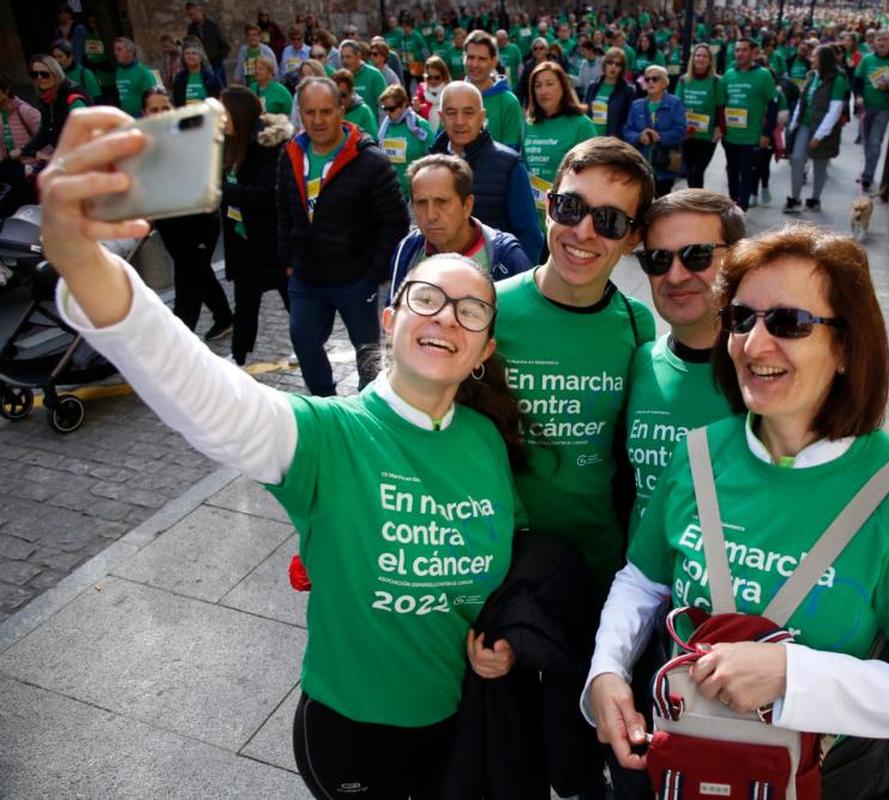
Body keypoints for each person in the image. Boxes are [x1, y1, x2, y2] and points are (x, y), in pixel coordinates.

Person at [37, 106, 525, 798]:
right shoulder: (329, 437)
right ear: (389, 321)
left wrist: (500, 642)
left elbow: (498, 579)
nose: (448, 316)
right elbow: (207, 396)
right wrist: (85, 263)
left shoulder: (485, 442)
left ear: (484, 349)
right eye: (427, 298)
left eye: (471, 310)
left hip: (457, 721)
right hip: (353, 732)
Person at [584, 224, 889, 794]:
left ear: (845, 346)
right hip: (685, 767)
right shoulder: (698, 454)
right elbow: (643, 581)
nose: (754, 344)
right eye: (742, 319)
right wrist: (607, 669)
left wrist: (793, 675)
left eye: (789, 323)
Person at [494, 136, 656, 597]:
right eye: (569, 207)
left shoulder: (636, 323)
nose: (583, 231)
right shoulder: (489, 309)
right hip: (500, 561)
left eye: (608, 221)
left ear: (632, 238)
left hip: (599, 566)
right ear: (547, 205)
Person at [277, 76, 407, 397]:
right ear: (301, 113)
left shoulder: (370, 161)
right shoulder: (289, 155)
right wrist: (288, 260)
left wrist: (373, 272)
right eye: (309, 112)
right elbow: (282, 210)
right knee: (303, 339)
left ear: (341, 109)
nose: (317, 120)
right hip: (307, 277)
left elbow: (396, 221)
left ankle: (369, 405)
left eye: (325, 111)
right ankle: (325, 403)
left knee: (367, 354)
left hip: (354, 280)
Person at [624, 189, 742, 523]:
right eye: (658, 260)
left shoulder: (765, 375)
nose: (675, 276)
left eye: (697, 255)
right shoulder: (641, 363)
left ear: (738, 258)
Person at [140, 88, 234, 341]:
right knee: (200, 273)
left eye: (165, 108)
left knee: (187, 284)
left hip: (199, 222)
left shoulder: (190, 137)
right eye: (154, 109)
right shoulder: (145, 143)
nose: (161, 114)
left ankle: (180, 342)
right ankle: (224, 317)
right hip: (170, 224)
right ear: (145, 113)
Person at [429, 82, 543, 264]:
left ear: (482, 117)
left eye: (468, 113)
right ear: (441, 118)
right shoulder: (429, 165)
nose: (459, 121)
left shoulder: (509, 165)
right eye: (451, 113)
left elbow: (529, 235)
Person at [219, 86, 291, 366]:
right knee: (245, 305)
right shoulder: (226, 143)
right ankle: (238, 357)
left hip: (270, 244)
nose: (220, 118)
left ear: (239, 113)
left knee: (294, 305)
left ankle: (311, 349)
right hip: (243, 243)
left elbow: (267, 196)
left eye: (224, 111)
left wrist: (222, 189)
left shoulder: (267, 146)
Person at [391, 154, 532, 286]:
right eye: (421, 203)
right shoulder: (408, 250)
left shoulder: (506, 258)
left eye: (442, 202)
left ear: (467, 206)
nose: (431, 215)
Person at [521, 61, 595, 221]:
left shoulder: (581, 124)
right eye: (538, 85)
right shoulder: (527, 125)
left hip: (566, 216)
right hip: (531, 216)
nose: (543, 91)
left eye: (549, 84)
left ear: (563, 86)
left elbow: (593, 175)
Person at [785, 45, 848, 213]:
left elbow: (835, 111)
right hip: (805, 125)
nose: (811, 59)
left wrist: (819, 136)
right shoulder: (811, 77)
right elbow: (802, 100)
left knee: (820, 165)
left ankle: (814, 199)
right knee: (797, 159)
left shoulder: (837, 80)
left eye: (815, 56)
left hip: (824, 130)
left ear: (824, 60)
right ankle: (795, 197)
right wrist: (793, 124)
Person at [718, 38, 778, 211]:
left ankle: (741, 210)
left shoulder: (764, 75)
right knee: (731, 174)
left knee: (747, 175)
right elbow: (721, 105)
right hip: (730, 136)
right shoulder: (728, 74)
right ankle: (732, 205)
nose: (740, 54)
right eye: (737, 50)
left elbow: (773, 105)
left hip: (751, 138)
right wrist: (721, 129)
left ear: (753, 53)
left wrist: (766, 134)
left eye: (744, 50)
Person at [622, 65, 686, 198]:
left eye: (655, 79)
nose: (650, 82)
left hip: (664, 166)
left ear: (664, 83)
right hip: (641, 166)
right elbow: (627, 130)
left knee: (662, 204)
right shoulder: (636, 105)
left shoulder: (675, 103)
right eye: (647, 79)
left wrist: (661, 137)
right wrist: (639, 137)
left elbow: (681, 131)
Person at [854, 30, 889, 190]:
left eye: (885, 40)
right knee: (867, 142)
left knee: (875, 142)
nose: (881, 43)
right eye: (878, 40)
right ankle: (868, 169)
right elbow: (857, 80)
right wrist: (858, 96)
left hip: (884, 108)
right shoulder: (867, 59)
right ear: (874, 42)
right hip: (866, 107)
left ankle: (867, 176)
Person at [19, 55, 90, 162]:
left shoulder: (72, 96)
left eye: (44, 74)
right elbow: (46, 132)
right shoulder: (46, 97)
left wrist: (58, 160)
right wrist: (24, 150)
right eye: (34, 74)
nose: (40, 78)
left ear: (56, 73)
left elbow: (84, 135)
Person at [462, 30, 523, 151]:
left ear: (494, 62)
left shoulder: (508, 102)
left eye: (482, 59)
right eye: (470, 57)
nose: (475, 64)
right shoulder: (454, 96)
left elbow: (511, 154)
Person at [676, 43, 721, 189]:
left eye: (704, 56)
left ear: (710, 60)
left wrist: (719, 127)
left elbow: (721, 106)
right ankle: (693, 202)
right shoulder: (684, 80)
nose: (700, 58)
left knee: (698, 170)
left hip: (707, 137)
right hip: (687, 134)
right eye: (698, 55)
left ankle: (697, 203)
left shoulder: (716, 81)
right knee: (689, 171)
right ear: (693, 58)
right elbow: (677, 105)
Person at [377, 84, 432, 200]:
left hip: (415, 192)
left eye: (391, 109)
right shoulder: (385, 127)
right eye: (384, 108)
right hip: (391, 191)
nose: (387, 113)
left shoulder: (419, 125)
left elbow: (432, 158)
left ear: (403, 105)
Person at [0, 75, 42, 216]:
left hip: (34, 174)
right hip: (14, 177)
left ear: (6, 91)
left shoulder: (25, 111)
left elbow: (46, 142)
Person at [584, 48, 635, 138]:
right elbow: (585, 113)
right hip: (591, 139)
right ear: (604, 64)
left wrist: (618, 135)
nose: (613, 67)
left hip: (612, 141)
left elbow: (629, 121)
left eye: (618, 64)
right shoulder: (592, 86)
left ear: (622, 68)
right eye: (610, 63)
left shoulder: (627, 90)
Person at [339, 39, 386, 121]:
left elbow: (384, 106)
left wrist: (381, 131)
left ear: (358, 56)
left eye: (348, 57)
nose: (344, 61)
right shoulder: (339, 77)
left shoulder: (374, 75)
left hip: (368, 128)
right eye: (342, 57)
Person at [186, 2, 230, 87]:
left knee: (220, 87)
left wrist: (218, 58)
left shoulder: (213, 25)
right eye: (190, 15)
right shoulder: (191, 29)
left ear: (199, 10)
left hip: (216, 63)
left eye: (194, 14)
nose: (192, 17)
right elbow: (191, 45)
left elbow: (225, 45)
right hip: (201, 64)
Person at [113, 38, 158, 119]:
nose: (115, 52)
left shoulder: (143, 72)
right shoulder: (119, 70)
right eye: (115, 49)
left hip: (141, 117)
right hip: (125, 117)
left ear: (130, 52)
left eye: (119, 49)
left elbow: (152, 99)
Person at [387, 15, 430, 95]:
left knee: (421, 84)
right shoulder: (401, 38)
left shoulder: (417, 36)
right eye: (403, 27)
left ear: (410, 27)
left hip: (417, 65)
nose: (404, 29)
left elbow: (424, 49)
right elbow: (398, 49)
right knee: (406, 86)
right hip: (406, 66)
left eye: (406, 26)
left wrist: (426, 63)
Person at [171, 42, 220, 107]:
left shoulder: (210, 76)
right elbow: (177, 102)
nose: (190, 56)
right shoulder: (179, 78)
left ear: (200, 57)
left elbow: (218, 97)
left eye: (194, 53)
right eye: (187, 53)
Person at [332, 68, 379, 136]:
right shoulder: (329, 112)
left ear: (351, 92)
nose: (339, 99)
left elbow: (373, 141)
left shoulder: (364, 111)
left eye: (343, 95)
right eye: (335, 95)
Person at [413, 55, 450, 132]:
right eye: (429, 78)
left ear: (443, 76)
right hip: (426, 134)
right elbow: (416, 119)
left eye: (437, 77)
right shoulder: (421, 90)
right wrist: (417, 110)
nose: (433, 81)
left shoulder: (450, 91)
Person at [288, 59, 325, 129]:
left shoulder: (328, 93)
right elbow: (294, 122)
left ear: (319, 74)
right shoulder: (298, 95)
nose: (306, 77)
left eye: (309, 74)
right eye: (303, 75)